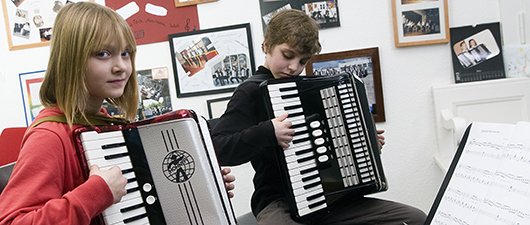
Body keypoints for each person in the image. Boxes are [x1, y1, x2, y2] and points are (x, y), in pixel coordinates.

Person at [0, 2, 235, 225]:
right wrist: (96, 192)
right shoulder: (50, 136)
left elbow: (142, 200)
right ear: (70, 61)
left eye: (125, 54)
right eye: (103, 54)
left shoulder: (106, 127)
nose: (121, 66)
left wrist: (203, 187)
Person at [212, 9, 426, 225]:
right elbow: (218, 147)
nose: (294, 67)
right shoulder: (250, 91)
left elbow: (330, 146)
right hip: (279, 201)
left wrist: (367, 143)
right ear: (267, 45)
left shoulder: (309, 91)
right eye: (287, 55)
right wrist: (268, 132)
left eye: (303, 61)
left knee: (414, 219)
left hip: (332, 199)